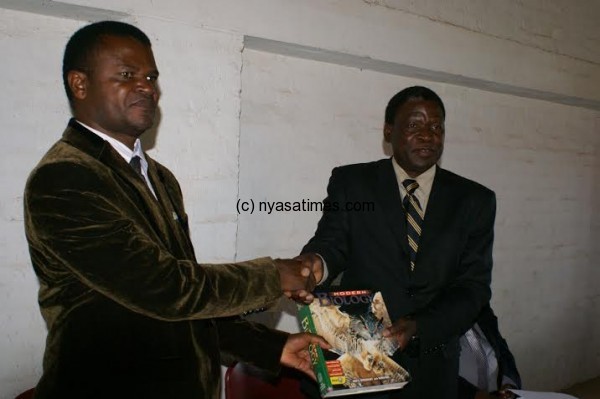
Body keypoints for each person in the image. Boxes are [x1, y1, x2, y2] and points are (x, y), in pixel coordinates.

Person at [23, 21, 329, 399]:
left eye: (151, 76)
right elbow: (164, 287)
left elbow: (189, 306)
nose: (146, 87)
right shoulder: (65, 177)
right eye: (126, 74)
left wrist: (271, 347)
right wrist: (273, 275)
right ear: (80, 84)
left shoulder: (159, 177)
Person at [298, 86, 496, 398]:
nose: (428, 135)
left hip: (433, 364)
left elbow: (474, 287)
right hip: (362, 358)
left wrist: (420, 325)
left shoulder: (474, 200)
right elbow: (331, 244)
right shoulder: (353, 183)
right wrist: (313, 266)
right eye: (415, 125)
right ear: (389, 131)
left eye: (436, 126)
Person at [459, 304, 521, 399]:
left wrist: (509, 386)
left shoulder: (482, 309)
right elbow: (434, 373)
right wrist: (476, 396)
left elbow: (502, 350)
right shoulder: (433, 321)